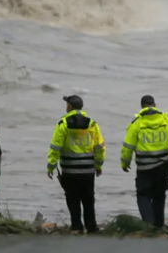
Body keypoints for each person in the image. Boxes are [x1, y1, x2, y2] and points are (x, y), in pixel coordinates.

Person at [120, 95, 168, 229]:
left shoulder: (136, 123)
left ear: (142, 106)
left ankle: (148, 223)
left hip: (144, 168)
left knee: (143, 195)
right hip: (162, 167)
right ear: (155, 105)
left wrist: (125, 163)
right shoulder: (167, 121)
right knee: (159, 195)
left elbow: (128, 146)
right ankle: (158, 225)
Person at [47, 95, 105, 234]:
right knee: (88, 199)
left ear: (70, 107)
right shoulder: (92, 124)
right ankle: (91, 227)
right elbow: (100, 147)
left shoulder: (63, 123)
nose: (66, 107)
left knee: (72, 199)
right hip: (88, 170)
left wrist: (51, 166)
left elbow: (56, 147)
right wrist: (98, 166)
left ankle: (76, 227)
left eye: (67, 104)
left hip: (69, 170)